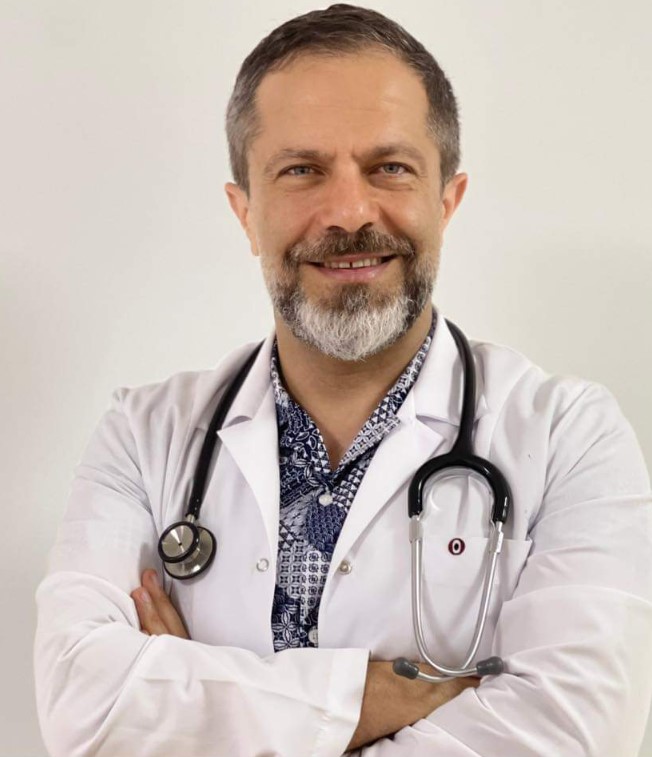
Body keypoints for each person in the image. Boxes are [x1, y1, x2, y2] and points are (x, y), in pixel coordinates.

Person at [34, 5, 652, 756]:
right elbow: (80, 708)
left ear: (447, 200)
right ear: (244, 211)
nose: (349, 211)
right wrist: (377, 695)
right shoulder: (144, 437)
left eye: (390, 167)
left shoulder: (569, 439)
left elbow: (575, 733)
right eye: (302, 170)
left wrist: (192, 701)